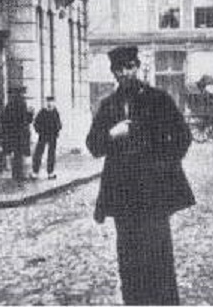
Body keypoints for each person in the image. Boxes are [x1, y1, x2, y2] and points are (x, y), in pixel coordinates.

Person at [86, 46, 195, 306]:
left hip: (153, 194)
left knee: (159, 256)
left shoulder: (158, 99)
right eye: (119, 69)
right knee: (129, 259)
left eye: (129, 67)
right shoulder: (109, 105)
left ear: (137, 67)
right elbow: (93, 145)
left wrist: (163, 167)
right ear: (113, 72)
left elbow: (182, 136)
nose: (125, 73)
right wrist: (112, 134)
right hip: (123, 196)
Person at [0, 86, 33, 181]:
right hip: (20, 134)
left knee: (16, 154)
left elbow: (4, 119)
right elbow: (26, 120)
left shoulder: (9, 105)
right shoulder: (22, 104)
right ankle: (18, 175)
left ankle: (16, 174)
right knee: (19, 154)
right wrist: (30, 113)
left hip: (12, 134)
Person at [31, 96, 62, 179]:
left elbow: (59, 124)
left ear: (54, 103)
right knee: (38, 153)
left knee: (51, 154)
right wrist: (39, 131)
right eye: (48, 101)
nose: (49, 103)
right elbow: (36, 123)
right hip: (43, 135)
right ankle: (35, 172)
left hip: (52, 136)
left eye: (51, 102)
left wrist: (56, 130)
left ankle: (50, 172)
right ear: (46, 102)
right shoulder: (42, 112)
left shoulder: (55, 112)